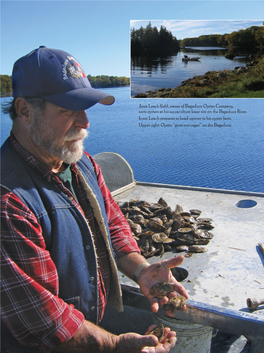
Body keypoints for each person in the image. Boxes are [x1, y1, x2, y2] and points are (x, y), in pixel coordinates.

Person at [1, 46, 188, 353]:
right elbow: (42, 321)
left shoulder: (81, 163)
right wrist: (114, 345)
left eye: (85, 108)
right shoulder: (9, 201)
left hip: (85, 331)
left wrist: (142, 270)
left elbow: (111, 225)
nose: (85, 122)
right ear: (24, 111)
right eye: (68, 110)